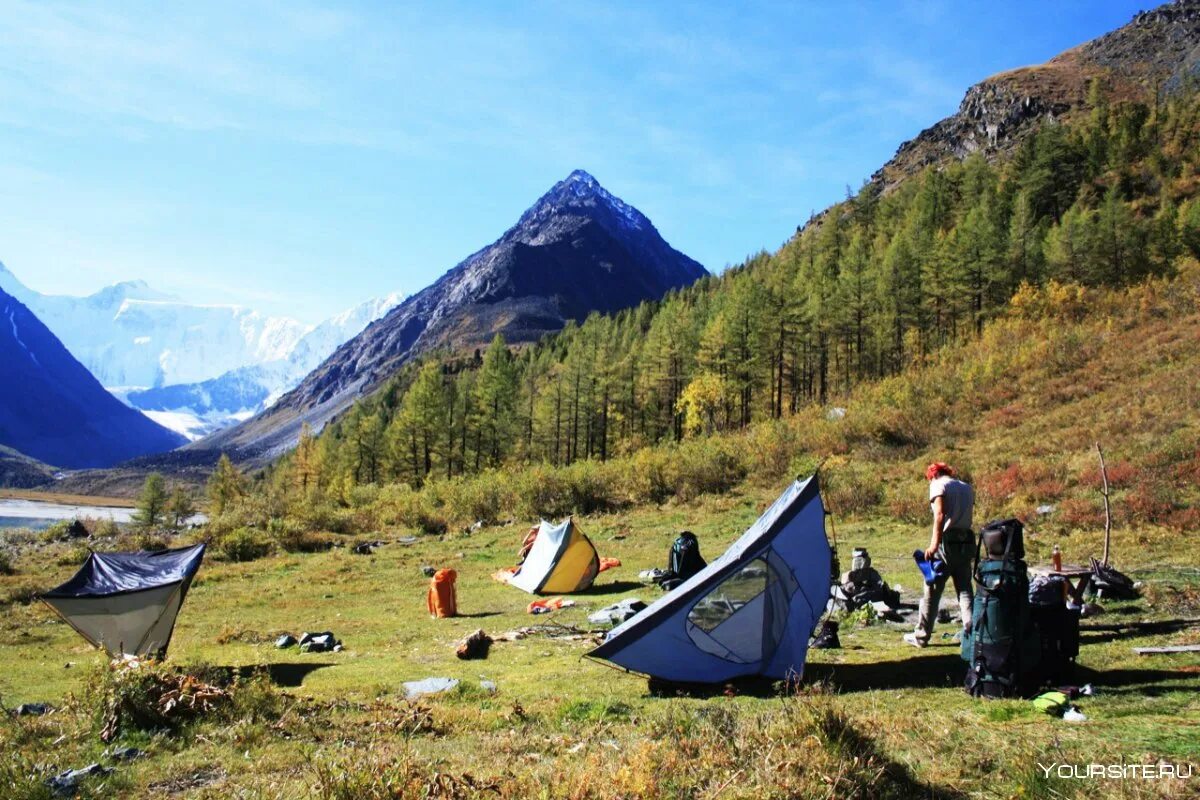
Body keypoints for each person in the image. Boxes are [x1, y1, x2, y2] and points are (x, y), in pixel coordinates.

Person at [904, 462, 975, 647]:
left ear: (932, 475)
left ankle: (921, 636)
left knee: (932, 589)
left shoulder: (938, 485)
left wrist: (934, 545)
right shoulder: (967, 488)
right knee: (965, 589)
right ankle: (972, 632)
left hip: (946, 544)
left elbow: (940, 515)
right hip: (965, 543)